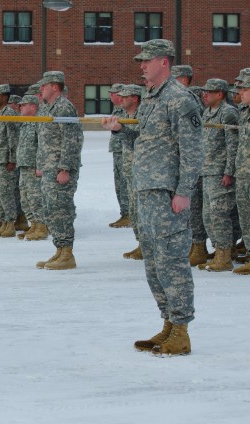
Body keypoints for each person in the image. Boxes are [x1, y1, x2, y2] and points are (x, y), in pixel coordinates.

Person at [132, 39, 203, 355]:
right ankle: (169, 325)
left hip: (168, 195)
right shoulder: (150, 98)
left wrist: (184, 191)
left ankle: (182, 331)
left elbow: (192, 150)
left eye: (147, 61)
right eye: (141, 61)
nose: (142, 66)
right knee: (154, 265)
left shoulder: (179, 99)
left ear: (164, 62)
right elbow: (147, 143)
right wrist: (120, 132)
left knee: (172, 263)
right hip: (147, 192)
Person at [35, 71, 83, 270]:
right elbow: (44, 140)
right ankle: (59, 249)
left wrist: (65, 168)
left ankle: (67, 253)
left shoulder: (64, 108)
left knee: (61, 209)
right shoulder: (47, 108)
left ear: (55, 86)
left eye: (44, 86)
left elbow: (71, 140)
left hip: (60, 169)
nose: (41, 90)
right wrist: (40, 164)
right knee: (50, 209)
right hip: (48, 168)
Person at [197, 79, 239, 272]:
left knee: (219, 215)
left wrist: (229, 171)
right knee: (208, 216)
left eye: (209, 92)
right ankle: (220, 250)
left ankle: (224, 256)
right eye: (204, 92)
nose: (204, 95)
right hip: (208, 171)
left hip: (221, 172)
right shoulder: (207, 112)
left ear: (220, 94)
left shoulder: (228, 112)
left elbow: (232, 145)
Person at [172, 65, 210, 266]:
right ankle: (195, 245)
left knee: (197, 209)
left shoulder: (188, 98)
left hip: (198, 164)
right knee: (193, 211)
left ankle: (199, 246)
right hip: (188, 162)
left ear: (184, 79)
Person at [102, 84, 143, 259]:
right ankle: (141, 243)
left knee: (141, 209)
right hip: (129, 167)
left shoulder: (142, 115)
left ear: (135, 98)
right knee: (134, 208)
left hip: (142, 170)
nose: (121, 99)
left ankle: (147, 245)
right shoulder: (125, 115)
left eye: (125, 96)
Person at [0, 84, 19, 238]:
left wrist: (12, 159)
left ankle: (11, 224)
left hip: (5, 161)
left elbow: (13, 139)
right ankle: (3, 222)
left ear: (5, 97)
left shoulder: (10, 114)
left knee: (6, 193)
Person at [15, 95, 47, 241]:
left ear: (33, 106)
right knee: (25, 198)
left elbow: (42, 145)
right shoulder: (26, 122)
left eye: (23, 105)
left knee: (35, 198)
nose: (20, 107)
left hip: (34, 166)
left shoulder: (39, 121)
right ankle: (33, 225)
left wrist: (40, 165)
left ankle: (41, 227)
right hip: (24, 165)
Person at [107, 83, 131, 228]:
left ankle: (129, 214)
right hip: (117, 150)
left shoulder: (125, 110)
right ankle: (124, 213)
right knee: (119, 184)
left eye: (113, 93)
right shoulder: (117, 109)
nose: (110, 96)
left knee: (125, 183)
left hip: (125, 151)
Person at [233, 74, 250, 274]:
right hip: (243, 171)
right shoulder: (244, 112)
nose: (240, 94)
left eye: (245, 90)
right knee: (245, 216)